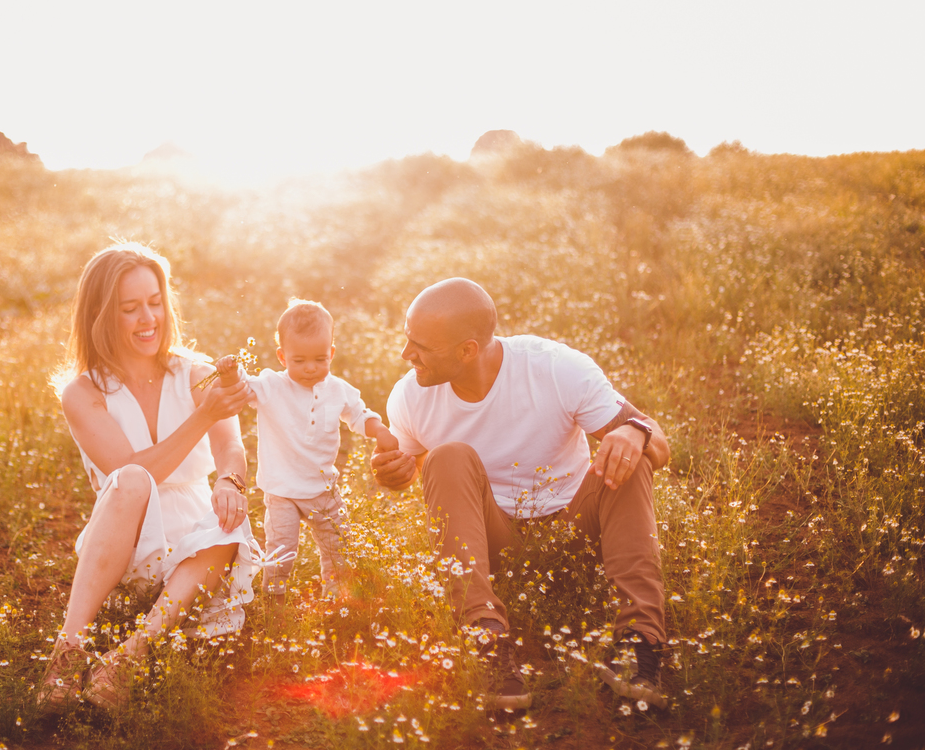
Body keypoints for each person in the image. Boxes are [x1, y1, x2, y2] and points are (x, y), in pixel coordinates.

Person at [372, 278, 671, 711]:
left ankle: (639, 644)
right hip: (494, 542)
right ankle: (486, 639)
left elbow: (660, 445)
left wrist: (635, 432)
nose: (406, 354)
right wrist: (395, 474)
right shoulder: (410, 395)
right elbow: (422, 474)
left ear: (467, 350)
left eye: (420, 346)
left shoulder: (555, 368)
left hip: (574, 532)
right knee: (446, 456)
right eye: (407, 339)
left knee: (631, 455)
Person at [37, 242, 259, 712]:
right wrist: (202, 417)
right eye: (130, 308)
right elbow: (135, 470)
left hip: (198, 551)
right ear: (100, 315)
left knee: (229, 523)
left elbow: (231, 449)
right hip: (126, 540)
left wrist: (229, 482)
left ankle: (127, 658)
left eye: (155, 302)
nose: (148, 319)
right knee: (133, 479)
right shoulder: (83, 392)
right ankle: (66, 654)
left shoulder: (196, 373)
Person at [234, 299, 398, 604]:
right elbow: (243, 387)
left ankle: (336, 600)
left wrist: (380, 431)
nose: (310, 368)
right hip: (282, 490)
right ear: (282, 356)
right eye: (299, 361)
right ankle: (275, 603)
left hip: (324, 488)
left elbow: (359, 414)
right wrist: (230, 372)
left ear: (331, 353)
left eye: (320, 359)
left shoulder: (337, 389)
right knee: (281, 551)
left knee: (339, 547)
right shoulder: (272, 386)